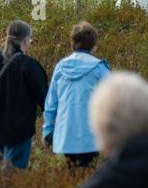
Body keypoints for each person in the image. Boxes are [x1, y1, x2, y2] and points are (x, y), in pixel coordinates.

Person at [0, 20, 49, 170]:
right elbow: (45, 98)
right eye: (30, 39)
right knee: (13, 174)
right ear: (26, 40)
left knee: (4, 166)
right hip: (19, 128)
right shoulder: (29, 66)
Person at [43, 22, 111, 168]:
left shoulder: (60, 67)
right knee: (89, 178)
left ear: (72, 42)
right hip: (92, 136)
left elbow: (51, 103)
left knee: (71, 177)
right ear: (94, 44)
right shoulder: (100, 69)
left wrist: (48, 131)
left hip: (66, 136)